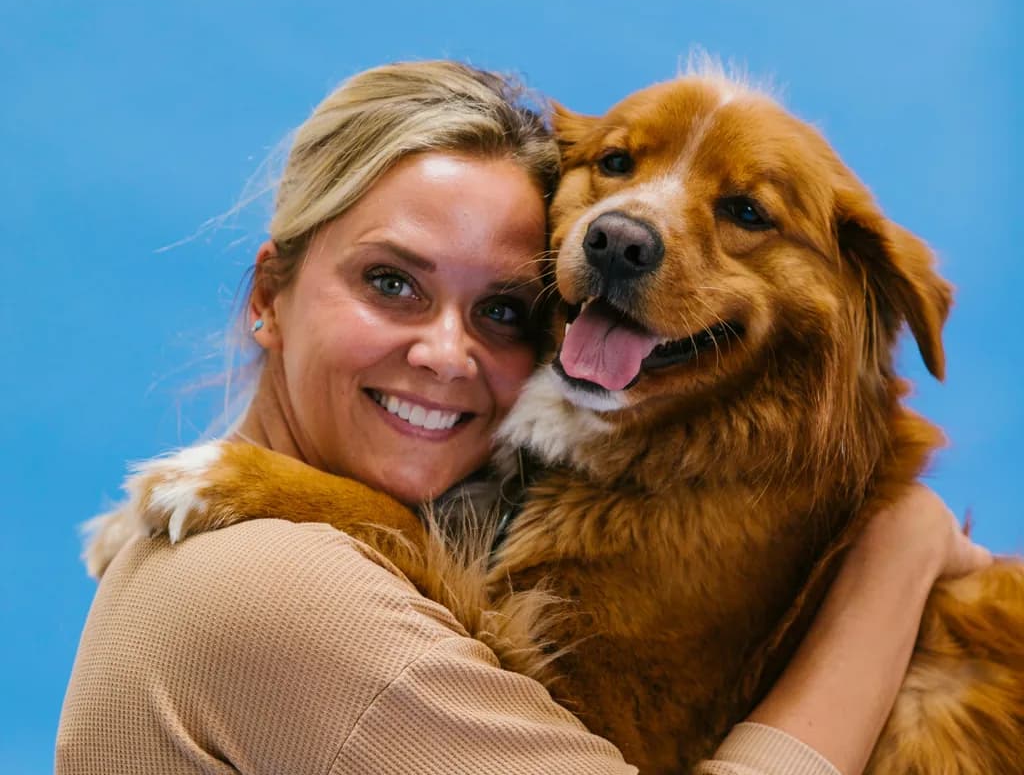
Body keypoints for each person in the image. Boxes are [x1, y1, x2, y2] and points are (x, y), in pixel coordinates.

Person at [56, 61, 991, 775]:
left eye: (504, 308)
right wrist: (899, 555)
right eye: (392, 283)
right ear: (269, 292)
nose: (448, 355)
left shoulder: (253, 553)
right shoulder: (273, 592)